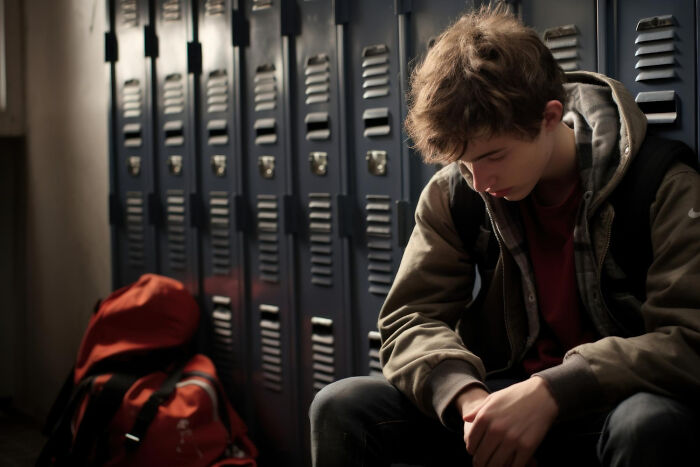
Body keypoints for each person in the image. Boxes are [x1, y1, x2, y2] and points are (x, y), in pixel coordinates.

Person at [309, 3, 700, 467]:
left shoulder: (661, 184)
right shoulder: (456, 192)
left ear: (549, 117)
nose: (479, 180)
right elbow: (408, 318)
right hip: (503, 398)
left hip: (609, 402)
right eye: (463, 160)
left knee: (648, 424)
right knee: (342, 406)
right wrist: (468, 399)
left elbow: (687, 337)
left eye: (494, 156)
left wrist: (554, 389)